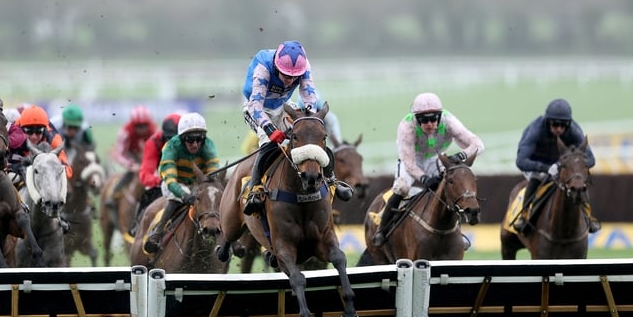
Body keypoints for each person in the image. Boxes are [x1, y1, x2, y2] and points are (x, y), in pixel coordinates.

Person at [241, 40, 352, 216]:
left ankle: (331, 181)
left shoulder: (304, 66)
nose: (290, 80)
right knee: (268, 142)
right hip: (256, 107)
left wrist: (309, 120)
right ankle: (254, 190)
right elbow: (256, 105)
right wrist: (270, 130)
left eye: (294, 76)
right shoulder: (263, 67)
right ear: (276, 66)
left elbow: (309, 97)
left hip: (282, 105)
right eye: (286, 75)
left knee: (309, 135)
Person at [371, 92, 485, 247]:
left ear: (440, 116)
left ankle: (457, 232)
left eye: (433, 118)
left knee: (449, 189)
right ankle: (382, 230)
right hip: (412, 160)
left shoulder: (449, 121)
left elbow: (479, 145)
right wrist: (424, 178)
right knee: (402, 188)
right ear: (416, 119)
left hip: (436, 159)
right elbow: (409, 162)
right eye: (424, 120)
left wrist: (461, 155)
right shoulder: (406, 126)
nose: (429, 124)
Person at [512, 98, 600, 233]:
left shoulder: (574, 130)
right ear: (548, 122)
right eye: (555, 124)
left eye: (563, 125)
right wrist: (546, 168)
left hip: (562, 164)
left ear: (568, 124)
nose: (559, 129)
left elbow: (591, 159)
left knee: (579, 181)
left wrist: (571, 166)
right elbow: (521, 161)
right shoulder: (536, 130)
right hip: (536, 164)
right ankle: (524, 216)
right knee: (537, 178)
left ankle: (589, 216)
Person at [143, 112, 219, 253]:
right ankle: (157, 234)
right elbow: (171, 181)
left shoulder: (208, 145)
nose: (195, 144)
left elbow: (213, 171)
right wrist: (184, 195)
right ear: (182, 138)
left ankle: (231, 240)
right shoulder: (171, 147)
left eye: (199, 139)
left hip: (198, 184)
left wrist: (212, 179)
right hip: (174, 184)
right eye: (190, 139)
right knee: (176, 198)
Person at [129, 112, 182, 236]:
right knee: (148, 195)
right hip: (164, 180)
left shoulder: (192, 141)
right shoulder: (153, 142)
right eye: (169, 139)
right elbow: (145, 175)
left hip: (187, 178)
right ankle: (137, 228)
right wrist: (161, 181)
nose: (171, 143)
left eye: (175, 139)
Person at [106, 105, 157, 208]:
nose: (142, 129)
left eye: (145, 126)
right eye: (138, 126)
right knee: (127, 174)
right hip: (129, 157)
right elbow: (119, 154)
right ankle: (114, 195)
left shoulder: (155, 131)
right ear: (133, 125)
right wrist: (131, 165)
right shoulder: (125, 133)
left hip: (147, 158)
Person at [16, 105, 73, 179]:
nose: (34, 136)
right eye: (29, 131)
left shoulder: (54, 139)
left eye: (38, 131)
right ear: (22, 129)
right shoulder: (14, 133)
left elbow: (68, 171)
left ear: (45, 130)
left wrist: (50, 166)